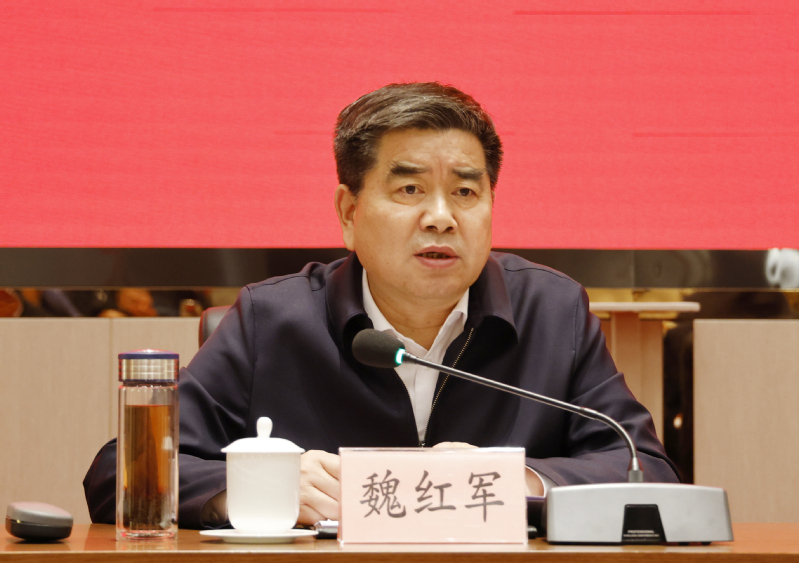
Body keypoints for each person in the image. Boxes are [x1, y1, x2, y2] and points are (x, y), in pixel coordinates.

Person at [84, 82, 679, 529]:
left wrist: (508, 479)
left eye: (465, 191)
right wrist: (257, 486)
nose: (441, 217)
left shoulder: (553, 312)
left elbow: (646, 471)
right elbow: (122, 474)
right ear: (349, 213)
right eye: (410, 189)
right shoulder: (273, 320)